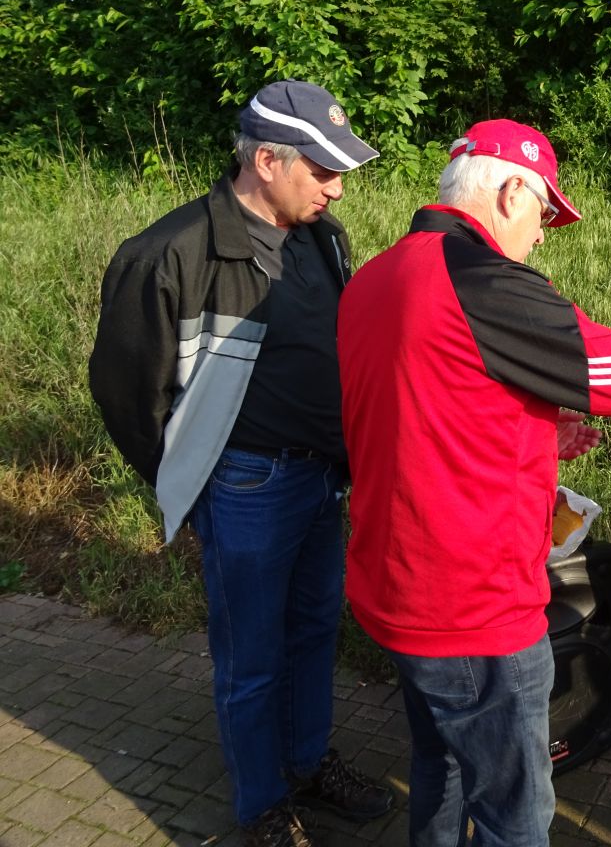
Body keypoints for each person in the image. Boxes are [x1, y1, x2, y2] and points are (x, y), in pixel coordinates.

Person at [336, 118, 611, 847]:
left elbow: (419, 408)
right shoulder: (483, 281)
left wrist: (536, 436)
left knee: (443, 772)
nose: (543, 234)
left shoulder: (375, 278)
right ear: (512, 190)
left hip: (395, 586)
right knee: (517, 815)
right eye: (545, 212)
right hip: (472, 610)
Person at [88, 80, 393, 847]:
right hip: (246, 487)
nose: (336, 186)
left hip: (324, 477)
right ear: (265, 160)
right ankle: (261, 806)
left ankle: (306, 762)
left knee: (314, 631)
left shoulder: (324, 237)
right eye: (321, 171)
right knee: (252, 656)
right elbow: (128, 395)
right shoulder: (167, 255)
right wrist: (187, 486)